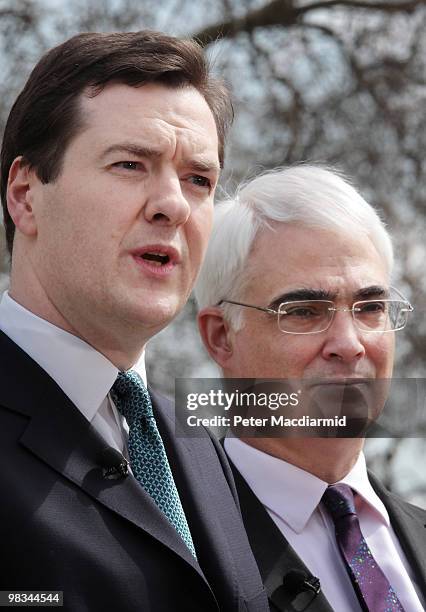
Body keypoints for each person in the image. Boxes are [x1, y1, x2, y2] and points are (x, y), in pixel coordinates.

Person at [0, 31, 269, 611]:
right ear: (24, 195)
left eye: (199, 180)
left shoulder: (203, 450)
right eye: (129, 164)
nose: (172, 203)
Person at [196, 165, 426, 611]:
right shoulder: (174, 542)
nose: (349, 344)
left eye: (371, 307)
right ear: (221, 336)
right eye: (304, 311)